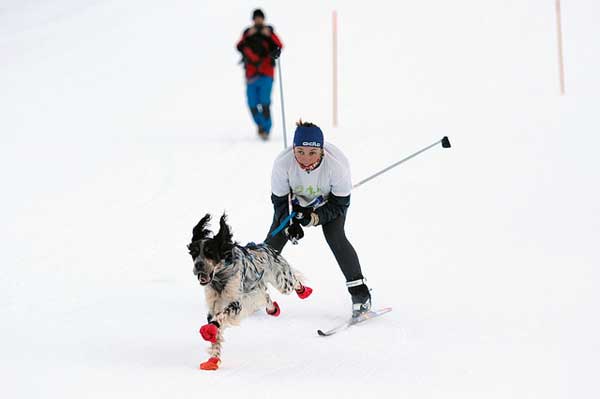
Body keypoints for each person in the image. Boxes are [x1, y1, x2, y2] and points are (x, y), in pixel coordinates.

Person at [264, 120, 372, 317]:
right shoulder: (282, 164)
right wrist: (289, 224)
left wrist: (314, 218)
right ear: (294, 148)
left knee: (335, 237)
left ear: (321, 151)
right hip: (294, 202)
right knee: (275, 239)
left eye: (312, 153)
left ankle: (360, 294)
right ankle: (251, 290)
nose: (305, 158)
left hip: (328, 203)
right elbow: (279, 201)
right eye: (300, 152)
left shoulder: (337, 167)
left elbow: (339, 205)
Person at [236, 9, 283, 141]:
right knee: (252, 103)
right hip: (251, 74)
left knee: (265, 102)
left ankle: (266, 129)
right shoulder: (247, 33)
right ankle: (261, 126)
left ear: (263, 19)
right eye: (256, 18)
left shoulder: (269, 32)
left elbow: (280, 46)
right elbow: (238, 46)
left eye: (260, 17)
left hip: (266, 73)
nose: (258, 20)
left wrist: (268, 35)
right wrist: (247, 35)